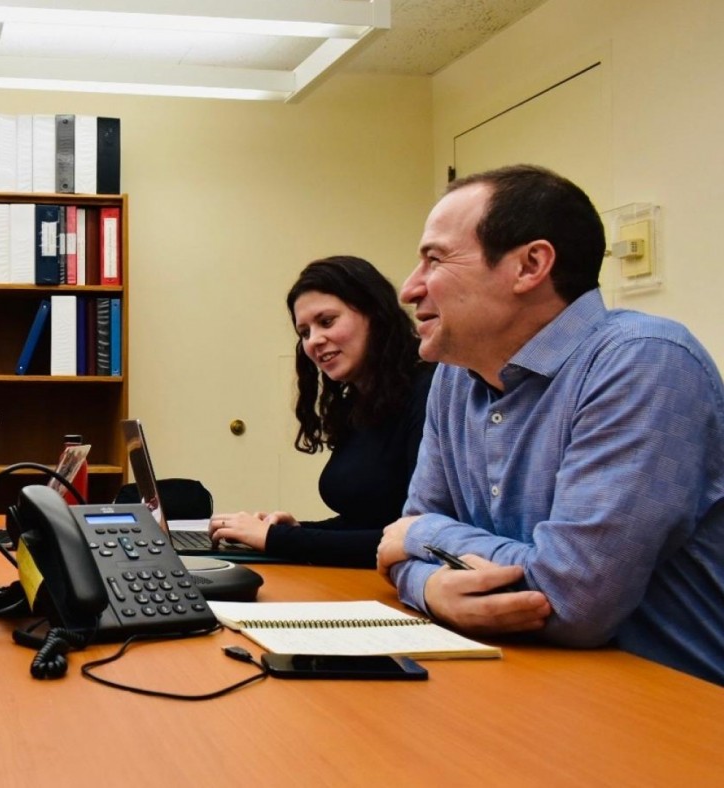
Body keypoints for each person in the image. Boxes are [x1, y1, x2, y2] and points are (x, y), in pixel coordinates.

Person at [377, 164, 724, 685]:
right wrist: (429, 588)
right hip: (529, 682)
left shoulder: (644, 362)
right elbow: (394, 554)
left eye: (435, 259)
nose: (409, 288)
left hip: (672, 708)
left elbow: (574, 600)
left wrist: (424, 537)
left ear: (530, 265)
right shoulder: (454, 379)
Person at [208, 257, 432, 567]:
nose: (314, 341)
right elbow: (366, 523)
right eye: (304, 332)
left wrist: (277, 539)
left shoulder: (430, 392)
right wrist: (294, 531)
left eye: (326, 321)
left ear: (374, 314)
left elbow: (414, 538)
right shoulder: (361, 402)